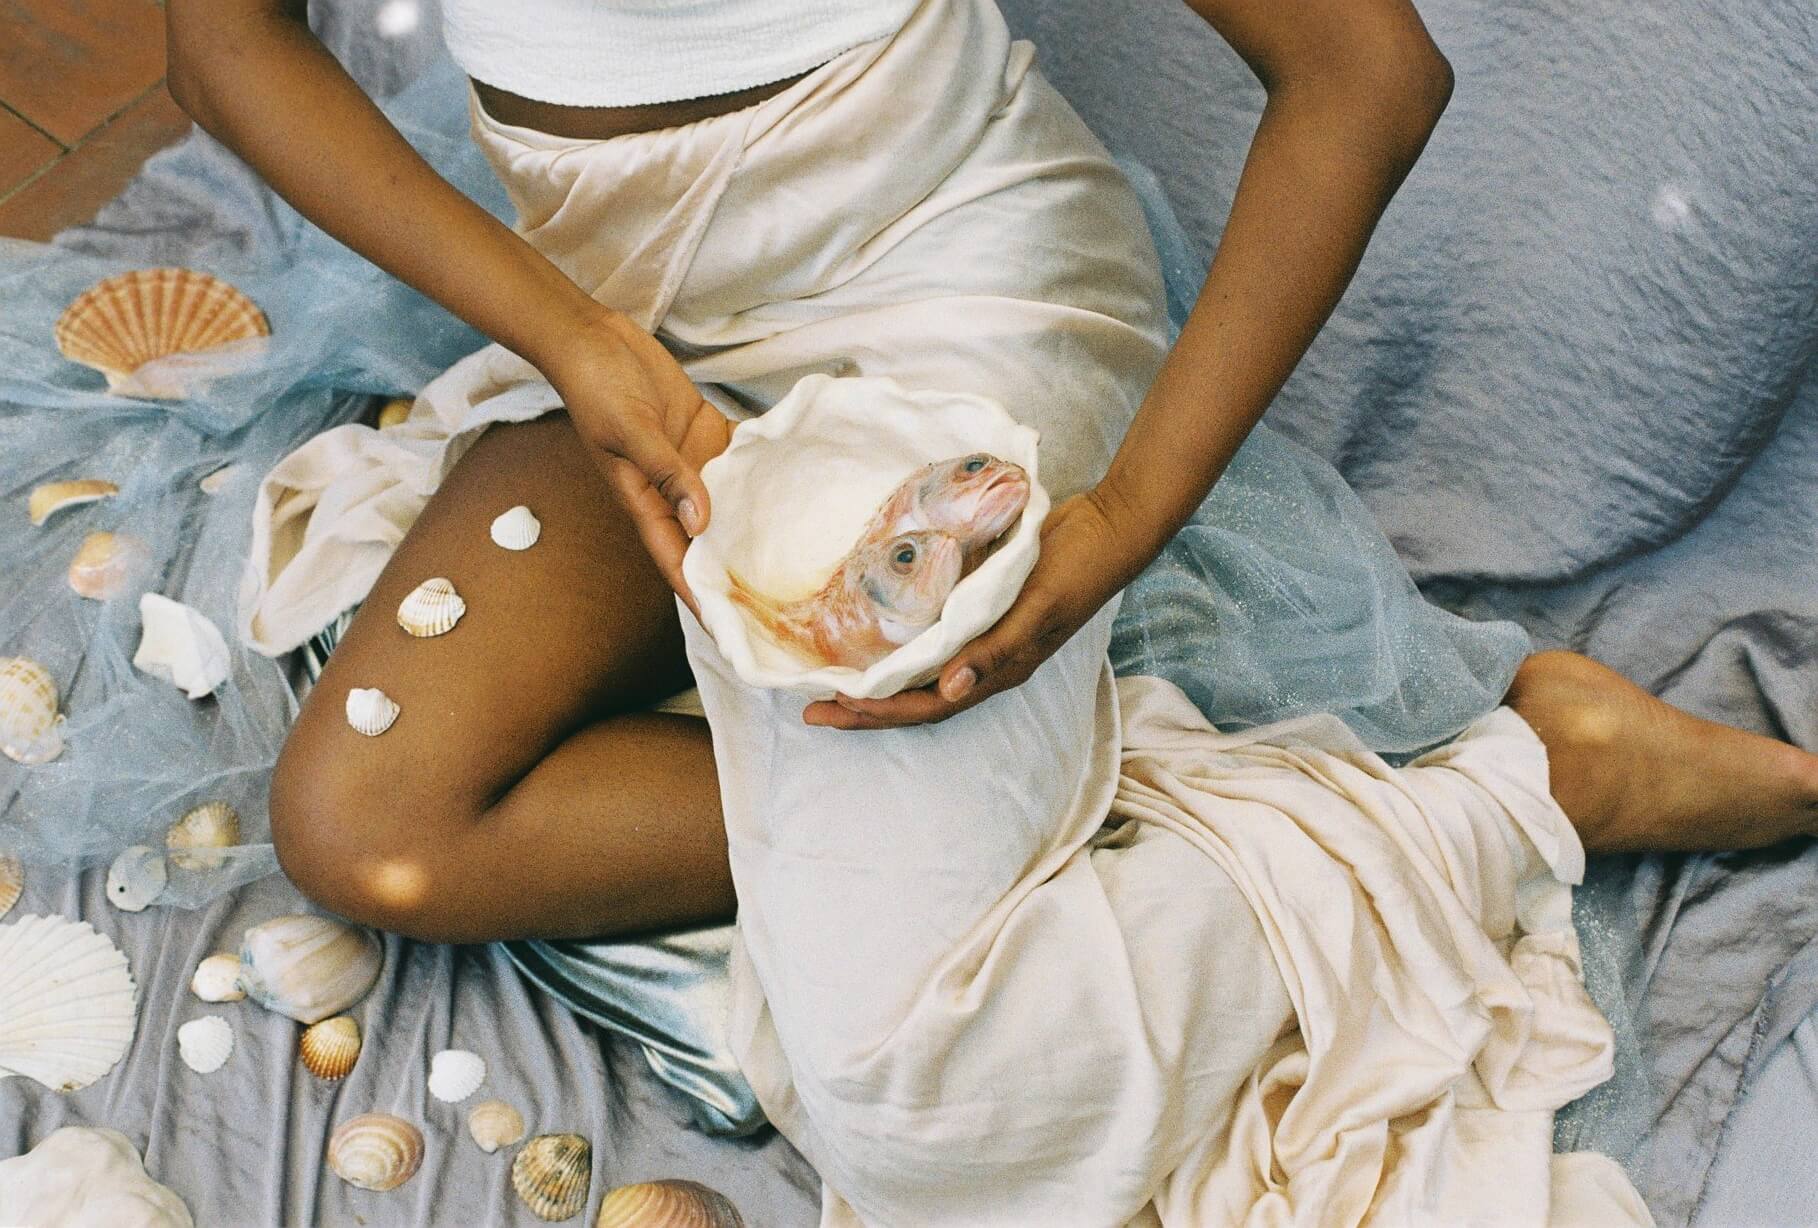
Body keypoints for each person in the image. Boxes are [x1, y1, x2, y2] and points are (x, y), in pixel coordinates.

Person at [169, 0, 1818, 1219]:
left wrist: (1122, 519)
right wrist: (570, 338)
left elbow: (1365, 70)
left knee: (915, 1099)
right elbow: (224, 42)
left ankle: (1534, 782)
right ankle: (1046, 797)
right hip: (633, 336)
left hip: (954, 308)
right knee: (373, 828)